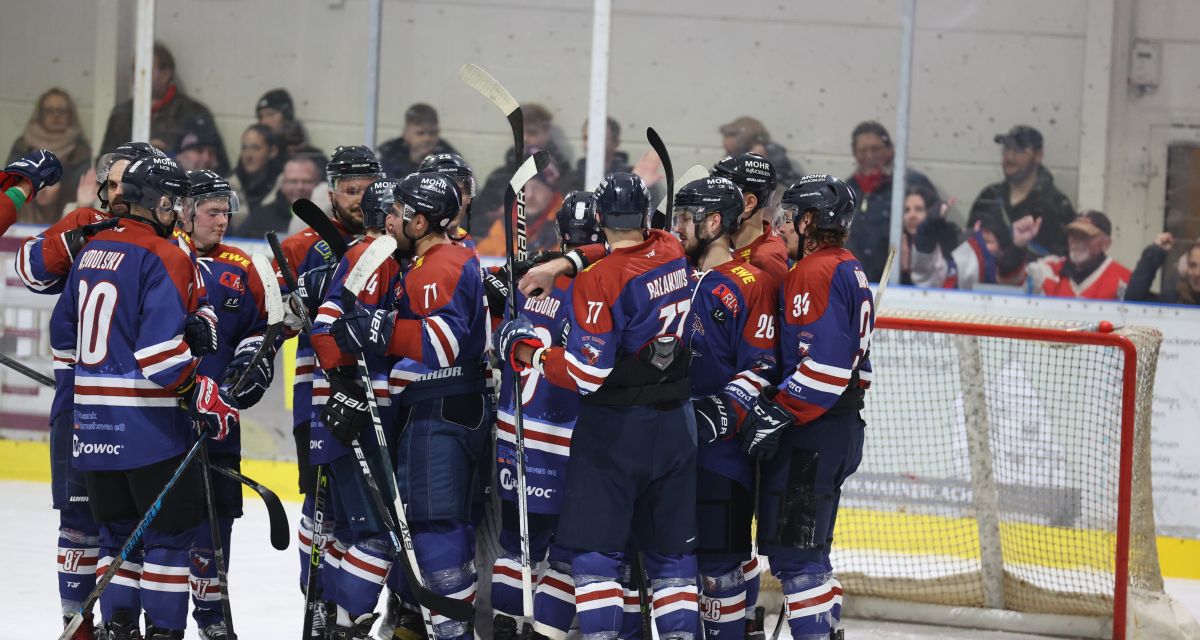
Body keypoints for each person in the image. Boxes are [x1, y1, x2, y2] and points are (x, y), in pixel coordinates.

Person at [498, 173, 700, 639]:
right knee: (673, 562)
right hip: (677, 426)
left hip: (616, 433)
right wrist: (562, 264)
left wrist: (532, 354)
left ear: (603, 220)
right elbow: (619, 249)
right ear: (648, 218)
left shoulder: (599, 281)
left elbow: (589, 376)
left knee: (592, 557)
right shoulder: (671, 247)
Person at [49, 155, 239, 640]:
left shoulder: (93, 250)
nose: (178, 211)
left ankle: (119, 630)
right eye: (174, 202)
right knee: (168, 543)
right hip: (150, 430)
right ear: (157, 202)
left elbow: (62, 336)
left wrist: (92, 392)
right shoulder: (166, 254)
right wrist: (203, 392)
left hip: (92, 427)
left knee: (116, 539)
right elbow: (159, 358)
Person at [330, 172, 493, 640]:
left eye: (399, 214)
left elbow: (441, 343)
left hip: (441, 406)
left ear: (420, 221)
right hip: (441, 407)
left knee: (434, 524)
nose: (390, 220)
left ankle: (450, 633)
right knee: (417, 522)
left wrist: (378, 329)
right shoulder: (430, 262)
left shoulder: (438, 265)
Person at [740, 174, 873, 640]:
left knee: (796, 558)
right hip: (839, 429)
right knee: (811, 552)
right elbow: (861, 374)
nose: (783, 227)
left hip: (813, 434)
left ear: (811, 219)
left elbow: (828, 370)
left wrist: (776, 409)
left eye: (791, 218)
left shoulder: (813, 272)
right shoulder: (848, 266)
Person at [276, 145, 380, 637]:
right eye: (350, 189)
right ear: (332, 191)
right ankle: (317, 598)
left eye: (367, 188)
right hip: (316, 399)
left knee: (363, 512)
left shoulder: (391, 241)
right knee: (320, 508)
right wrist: (285, 311)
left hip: (377, 399)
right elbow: (266, 312)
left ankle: (343, 608)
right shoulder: (300, 248)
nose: (360, 199)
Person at [487, 191, 601, 640]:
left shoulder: (531, 280)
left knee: (516, 545)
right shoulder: (600, 283)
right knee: (569, 554)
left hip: (515, 434)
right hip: (567, 439)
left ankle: (506, 627)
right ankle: (544, 635)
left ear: (561, 235)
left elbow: (501, 345)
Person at [672, 176, 778, 640]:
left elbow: (762, 367)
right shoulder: (668, 275)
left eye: (683, 219)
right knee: (668, 569)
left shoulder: (751, 283)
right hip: (663, 453)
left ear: (713, 222)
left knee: (719, 572)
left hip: (721, 457)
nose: (676, 228)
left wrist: (719, 411)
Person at [304, 178, 404, 640]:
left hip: (350, 408)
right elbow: (327, 325)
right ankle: (346, 624)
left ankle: (335, 620)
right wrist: (347, 381)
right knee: (378, 536)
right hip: (359, 413)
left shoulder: (376, 254)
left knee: (348, 532)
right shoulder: (375, 255)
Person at [177, 170, 274, 640]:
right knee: (157, 524)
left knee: (216, 522)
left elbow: (258, 330)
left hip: (217, 419)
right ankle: (155, 618)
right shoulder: (163, 254)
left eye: (226, 210)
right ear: (186, 211)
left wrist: (249, 368)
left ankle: (213, 619)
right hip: (161, 419)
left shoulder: (242, 265)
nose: (223, 219)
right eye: (213, 211)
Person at [101, 42, 229, 170]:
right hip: (125, 188)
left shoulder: (194, 113)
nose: (136, 77)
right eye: (135, 69)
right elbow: (103, 165)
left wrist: (170, 158)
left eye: (143, 69)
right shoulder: (121, 114)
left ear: (166, 74)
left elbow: (220, 168)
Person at [843, 121, 936, 282]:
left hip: (902, 286)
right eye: (862, 150)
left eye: (876, 148)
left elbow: (931, 234)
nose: (869, 156)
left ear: (890, 149)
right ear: (854, 153)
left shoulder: (911, 184)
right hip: (856, 284)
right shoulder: (847, 189)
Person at [967, 125, 1075, 258]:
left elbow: (1067, 258)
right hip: (987, 278)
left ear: (1038, 155)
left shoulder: (1056, 205)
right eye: (1006, 148)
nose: (1009, 156)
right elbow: (968, 248)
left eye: (1019, 150)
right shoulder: (988, 197)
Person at [7, 88, 92, 223]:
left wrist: (59, 188)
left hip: (67, 223)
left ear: (70, 115)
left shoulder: (81, 150)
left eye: (61, 110)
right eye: (49, 110)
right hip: (22, 225)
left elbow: (83, 188)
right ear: (40, 114)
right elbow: (9, 184)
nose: (56, 115)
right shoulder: (22, 146)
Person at [1034, 211, 1130, 300]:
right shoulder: (1049, 269)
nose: (1077, 241)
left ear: (1106, 243)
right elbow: (1019, 280)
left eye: (1085, 236)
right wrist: (1019, 244)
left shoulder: (1124, 281)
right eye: (1073, 234)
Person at [234, 152, 325, 238]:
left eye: (306, 181)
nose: (299, 187)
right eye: (293, 181)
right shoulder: (261, 216)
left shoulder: (329, 217)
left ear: (319, 184)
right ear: (282, 185)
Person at [377, 103, 461, 179]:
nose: (426, 138)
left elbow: (468, 192)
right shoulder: (390, 159)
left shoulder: (450, 162)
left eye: (432, 133)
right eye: (420, 133)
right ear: (406, 134)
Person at [900, 183, 959, 287]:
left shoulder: (946, 245)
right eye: (907, 210)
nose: (911, 216)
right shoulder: (894, 242)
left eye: (919, 209)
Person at [718, 116, 802, 188]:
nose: (728, 155)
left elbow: (787, 185)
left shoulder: (777, 158)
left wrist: (757, 163)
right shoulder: (733, 157)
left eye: (731, 135)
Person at [1, 149, 63, 235]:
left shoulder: (67, 212)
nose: (43, 190)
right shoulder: (21, 215)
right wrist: (25, 184)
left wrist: (83, 204)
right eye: (41, 182)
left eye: (48, 184)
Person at [1127, 233, 1200, 305]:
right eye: (1192, 265)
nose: (1197, 273)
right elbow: (1134, 302)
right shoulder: (1175, 300)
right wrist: (1156, 251)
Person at [228, 124, 283, 213]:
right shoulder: (230, 184)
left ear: (272, 151)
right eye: (244, 148)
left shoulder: (283, 187)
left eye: (255, 148)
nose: (248, 155)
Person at [256, 88, 311, 154]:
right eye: (260, 117)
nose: (263, 122)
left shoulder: (308, 156)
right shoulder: (254, 152)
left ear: (286, 117)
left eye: (270, 114)